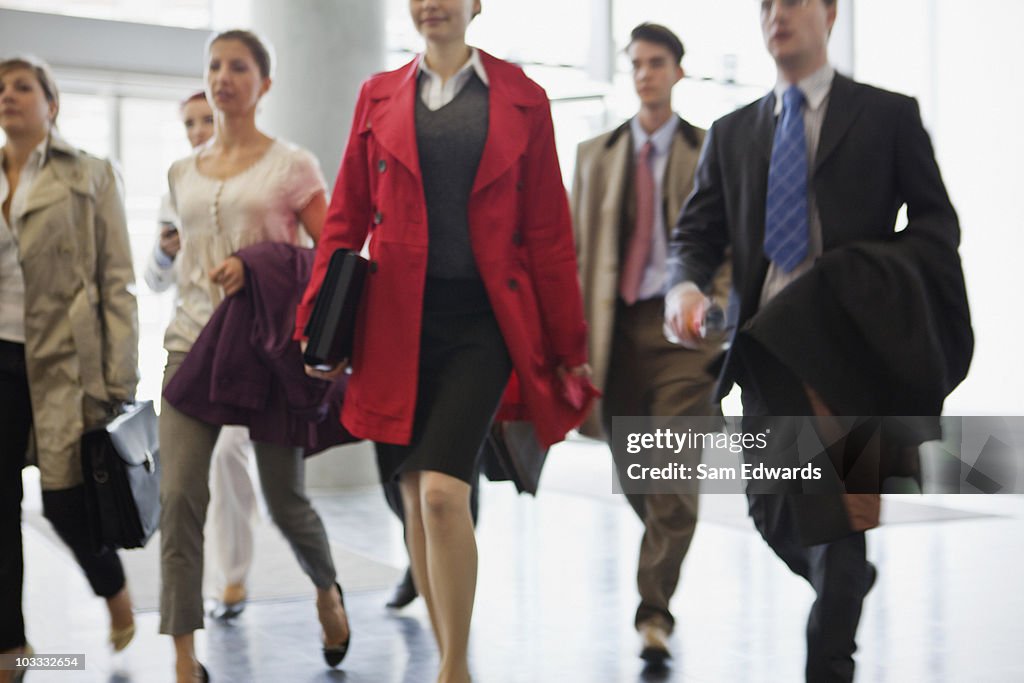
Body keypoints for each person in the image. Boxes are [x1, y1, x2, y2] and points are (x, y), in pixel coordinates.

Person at [664, 1, 971, 681]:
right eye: (767, 3)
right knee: (776, 511)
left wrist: (873, 276)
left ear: (829, 13)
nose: (779, 13)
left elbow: (936, 225)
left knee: (839, 524)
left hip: (852, 348)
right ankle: (846, 580)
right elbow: (694, 237)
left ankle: (831, 651)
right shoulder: (733, 131)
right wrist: (683, 288)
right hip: (768, 349)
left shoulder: (887, 115)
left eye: (795, 0)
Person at [298, 2, 594, 681]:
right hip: (393, 321)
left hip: (484, 321)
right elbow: (343, 216)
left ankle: (455, 667)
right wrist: (317, 322)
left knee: (439, 492)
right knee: (410, 497)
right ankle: (447, 656)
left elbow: (548, 229)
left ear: (475, 5)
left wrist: (568, 338)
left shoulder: (523, 97)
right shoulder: (377, 95)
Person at [157, 30, 349, 683]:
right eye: (214, 66)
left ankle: (326, 588)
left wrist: (260, 262)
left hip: (267, 353)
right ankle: (185, 655)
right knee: (179, 495)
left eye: (239, 67)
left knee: (284, 499)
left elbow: (334, 262)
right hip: (191, 345)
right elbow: (180, 261)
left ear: (264, 85)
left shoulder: (293, 164)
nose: (223, 76)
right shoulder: (181, 170)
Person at [571, 23, 730, 667]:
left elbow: (727, 243)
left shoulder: (710, 149)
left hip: (684, 339)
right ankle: (663, 545)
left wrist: (715, 307)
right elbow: (574, 254)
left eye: (657, 62)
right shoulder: (594, 155)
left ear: (678, 72)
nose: (645, 74)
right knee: (639, 470)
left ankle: (653, 610)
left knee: (671, 476)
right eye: (635, 63)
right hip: (614, 337)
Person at [0, 56, 139, 682]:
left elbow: (117, 283)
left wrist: (120, 381)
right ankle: (11, 646)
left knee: (64, 505)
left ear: (51, 103)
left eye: (22, 86)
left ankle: (112, 587)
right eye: (0, 88)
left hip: (63, 362)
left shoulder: (90, 174)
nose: (8, 95)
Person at [145, 91, 258, 620]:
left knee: (231, 455)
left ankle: (234, 578)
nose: (196, 130)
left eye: (204, 119)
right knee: (182, 483)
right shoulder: (178, 183)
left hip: (240, 344)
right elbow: (153, 280)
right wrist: (164, 254)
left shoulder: (255, 180)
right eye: (188, 122)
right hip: (188, 343)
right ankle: (188, 624)